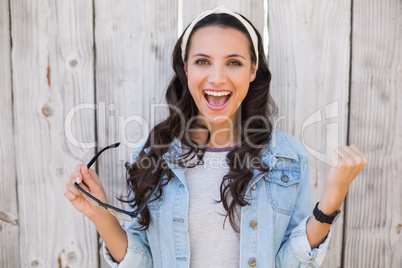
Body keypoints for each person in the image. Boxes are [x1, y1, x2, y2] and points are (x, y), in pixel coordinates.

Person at [64, 5, 367, 268]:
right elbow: (143, 261)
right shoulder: (153, 154)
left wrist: (331, 199)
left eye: (234, 62)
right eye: (203, 61)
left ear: (252, 70)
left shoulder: (288, 156)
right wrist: (100, 214)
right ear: (186, 69)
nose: (218, 77)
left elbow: (287, 261)